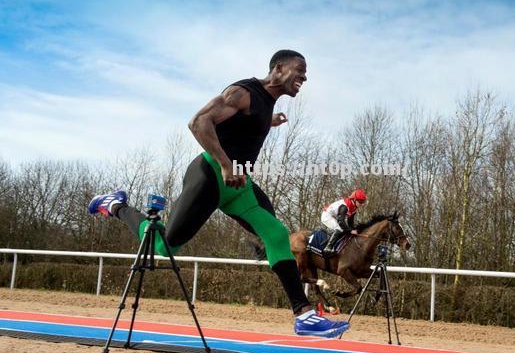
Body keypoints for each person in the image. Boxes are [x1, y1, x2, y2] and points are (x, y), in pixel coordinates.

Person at [88, 50, 349, 338]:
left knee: (276, 234)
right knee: (164, 247)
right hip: (212, 173)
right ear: (277, 69)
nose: (304, 76)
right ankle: (115, 205)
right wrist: (225, 164)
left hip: (239, 184)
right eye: (299, 69)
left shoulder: (263, 104)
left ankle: (304, 315)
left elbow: (245, 123)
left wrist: (268, 121)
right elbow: (198, 122)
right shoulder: (243, 92)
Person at [321, 189, 367, 254]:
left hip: (334, 217)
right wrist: (350, 231)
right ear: (353, 199)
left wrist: (354, 230)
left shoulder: (354, 208)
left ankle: (332, 241)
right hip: (327, 216)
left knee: (344, 229)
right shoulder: (344, 207)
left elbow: (350, 221)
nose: (361, 204)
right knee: (339, 229)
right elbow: (340, 221)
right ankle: (328, 247)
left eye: (362, 202)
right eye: (360, 201)